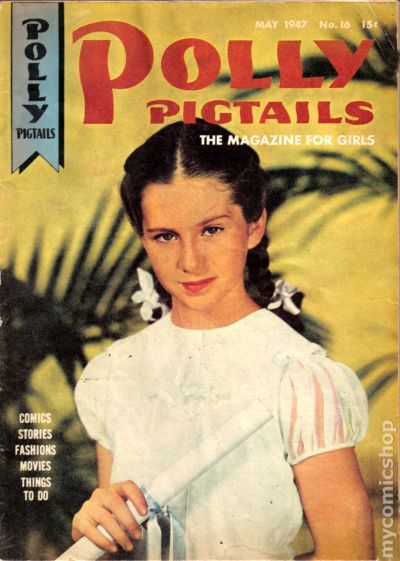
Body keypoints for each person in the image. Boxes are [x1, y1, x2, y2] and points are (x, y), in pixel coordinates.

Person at [72, 119, 375, 560]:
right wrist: (97, 532)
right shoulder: (114, 374)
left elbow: (349, 554)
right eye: (166, 236)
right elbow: (125, 545)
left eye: (212, 229)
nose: (190, 261)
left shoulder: (299, 374)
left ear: (253, 227)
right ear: (144, 239)